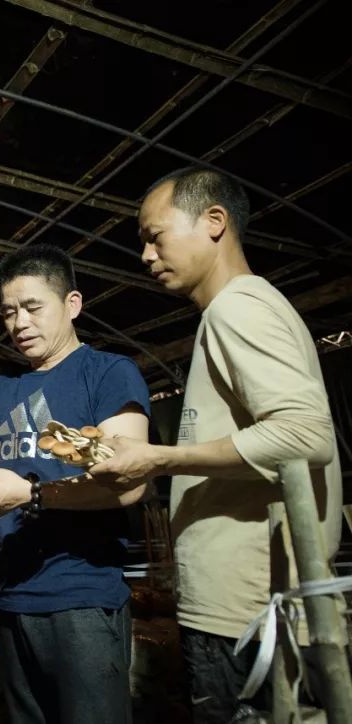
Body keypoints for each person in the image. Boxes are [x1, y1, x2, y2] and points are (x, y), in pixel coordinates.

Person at [90, 167, 344, 722]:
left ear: (213, 222)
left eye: (155, 236)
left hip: (249, 616)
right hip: (245, 608)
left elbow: (305, 434)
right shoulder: (232, 311)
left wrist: (159, 458)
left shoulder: (239, 307)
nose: (145, 255)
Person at [0, 245, 150, 724]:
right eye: (8, 312)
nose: (18, 323)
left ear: (72, 304)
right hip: (10, 597)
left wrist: (29, 493)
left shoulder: (107, 372)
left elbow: (129, 482)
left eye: (32, 307)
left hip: (81, 594)